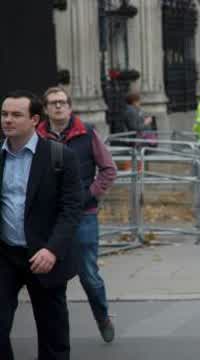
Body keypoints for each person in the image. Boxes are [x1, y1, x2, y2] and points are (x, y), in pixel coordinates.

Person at [0, 90, 83, 360]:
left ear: (35, 119)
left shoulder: (60, 156)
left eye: (16, 115)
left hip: (44, 256)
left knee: (53, 335)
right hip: (6, 256)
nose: (7, 120)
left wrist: (52, 250)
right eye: (4, 114)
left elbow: (71, 210)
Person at [38, 87, 118, 343]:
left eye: (62, 102)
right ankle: (54, 335)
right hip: (49, 216)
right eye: (53, 103)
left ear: (70, 107)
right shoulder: (38, 136)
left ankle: (102, 316)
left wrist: (88, 195)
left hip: (84, 215)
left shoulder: (87, 133)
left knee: (88, 275)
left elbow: (108, 170)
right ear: (46, 108)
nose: (58, 107)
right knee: (46, 275)